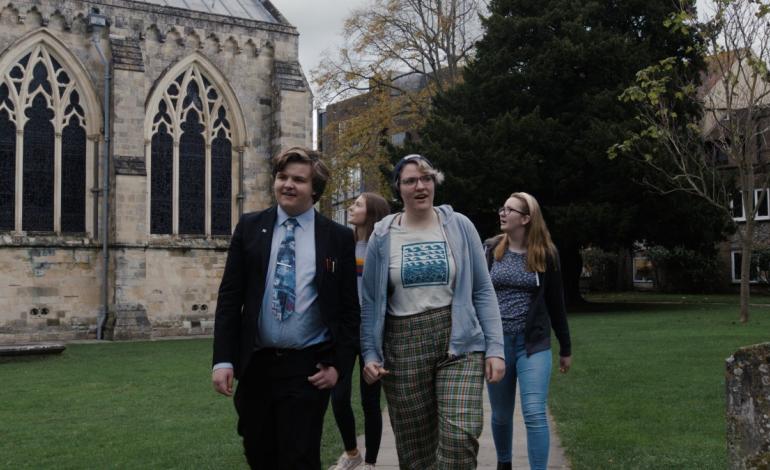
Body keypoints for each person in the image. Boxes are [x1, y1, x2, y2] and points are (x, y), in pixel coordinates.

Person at [211, 147, 360, 469]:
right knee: (259, 453)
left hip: (307, 369)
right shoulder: (250, 227)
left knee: (299, 457)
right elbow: (229, 298)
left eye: (298, 179)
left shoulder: (338, 238)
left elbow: (349, 311)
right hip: (256, 366)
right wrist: (223, 359)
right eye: (282, 177)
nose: (288, 185)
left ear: (315, 190)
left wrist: (338, 366)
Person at [359, 154, 506, 469]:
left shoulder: (459, 225)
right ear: (399, 188)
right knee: (417, 453)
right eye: (411, 180)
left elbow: (482, 289)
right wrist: (370, 354)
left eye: (426, 178)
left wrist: (495, 347)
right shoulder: (382, 236)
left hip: (459, 341)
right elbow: (370, 301)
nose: (420, 186)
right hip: (403, 346)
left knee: (460, 438)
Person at [484, 192, 572, 470]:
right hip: (497, 346)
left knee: (534, 413)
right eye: (502, 208)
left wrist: (565, 348)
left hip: (532, 344)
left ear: (526, 218)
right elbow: (478, 295)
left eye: (509, 210)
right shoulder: (491, 249)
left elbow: (556, 303)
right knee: (500, 415)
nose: (502, 213)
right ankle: (504, 464)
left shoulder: (546, 254)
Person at [330, 192, 391, 470]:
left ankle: (371, 462)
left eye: (357, 204)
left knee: (370, 401)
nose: (351, 208)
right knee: (339, 396)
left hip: (373, 331)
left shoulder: (383, 247)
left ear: (372, 212)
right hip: (346, 331)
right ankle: (352, 452)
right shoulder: (345, 244)